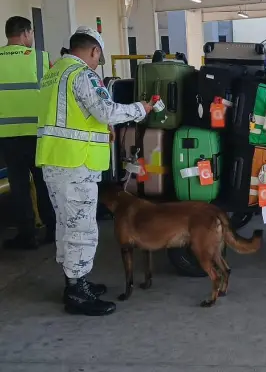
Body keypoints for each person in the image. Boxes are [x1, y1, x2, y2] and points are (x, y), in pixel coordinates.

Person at [36, 27, 154, 316]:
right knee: (81, 228)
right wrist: (142, 108)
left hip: (56, 161)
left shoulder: (54, 73)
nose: (96, 63)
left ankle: (75, 281)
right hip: (76, 164)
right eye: (97, 58)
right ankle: (78, 295)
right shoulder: (82, 74)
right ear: (94, 51)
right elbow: (106, 111)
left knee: (66, 225)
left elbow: (75, 116)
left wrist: (103, 130)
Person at [0, 16, 56, 250]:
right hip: (36, 134)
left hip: (7, 136)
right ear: (25, 33)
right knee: (44, 183)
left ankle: (27, 234)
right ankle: (52, 230)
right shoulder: (41, 59)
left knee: (19, 186)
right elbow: (54, 92)